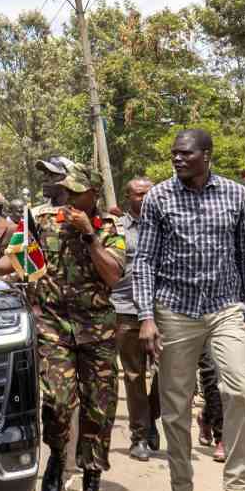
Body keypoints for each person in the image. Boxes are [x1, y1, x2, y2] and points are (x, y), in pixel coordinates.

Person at [134, 129, 245, 491]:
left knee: (240, 390)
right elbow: (144, 260)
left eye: (185, 154)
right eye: (174, 154)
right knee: (175, 408)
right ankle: (182, 485)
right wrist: (146, 317)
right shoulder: (159, 197)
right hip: (175, 310)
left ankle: (239, 486)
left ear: (206, 155)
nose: (177, 159)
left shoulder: (235, 194)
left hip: (225, 307)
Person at [0, 163, 125, 491]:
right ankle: (58, 457)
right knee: (57, 404)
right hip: (52, 326)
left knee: (99, 408)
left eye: (78, 192)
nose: (70, 198)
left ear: (94, 195)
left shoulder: (108, 227)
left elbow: (113, 276)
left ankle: (92, 472)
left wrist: (89, 234)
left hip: (96, 330)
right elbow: (19, 261)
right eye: (69, 191)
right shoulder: (41, 220)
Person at [109, 177, 161, 462]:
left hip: (164, 310)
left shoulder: (168, 224)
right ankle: (139, 435)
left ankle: (151, 415)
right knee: (133, 374)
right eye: (139, 194)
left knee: (173, 374)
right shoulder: (116, 229)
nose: (144, 198)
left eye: (149, 193)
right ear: (128, 197)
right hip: (126, 309)